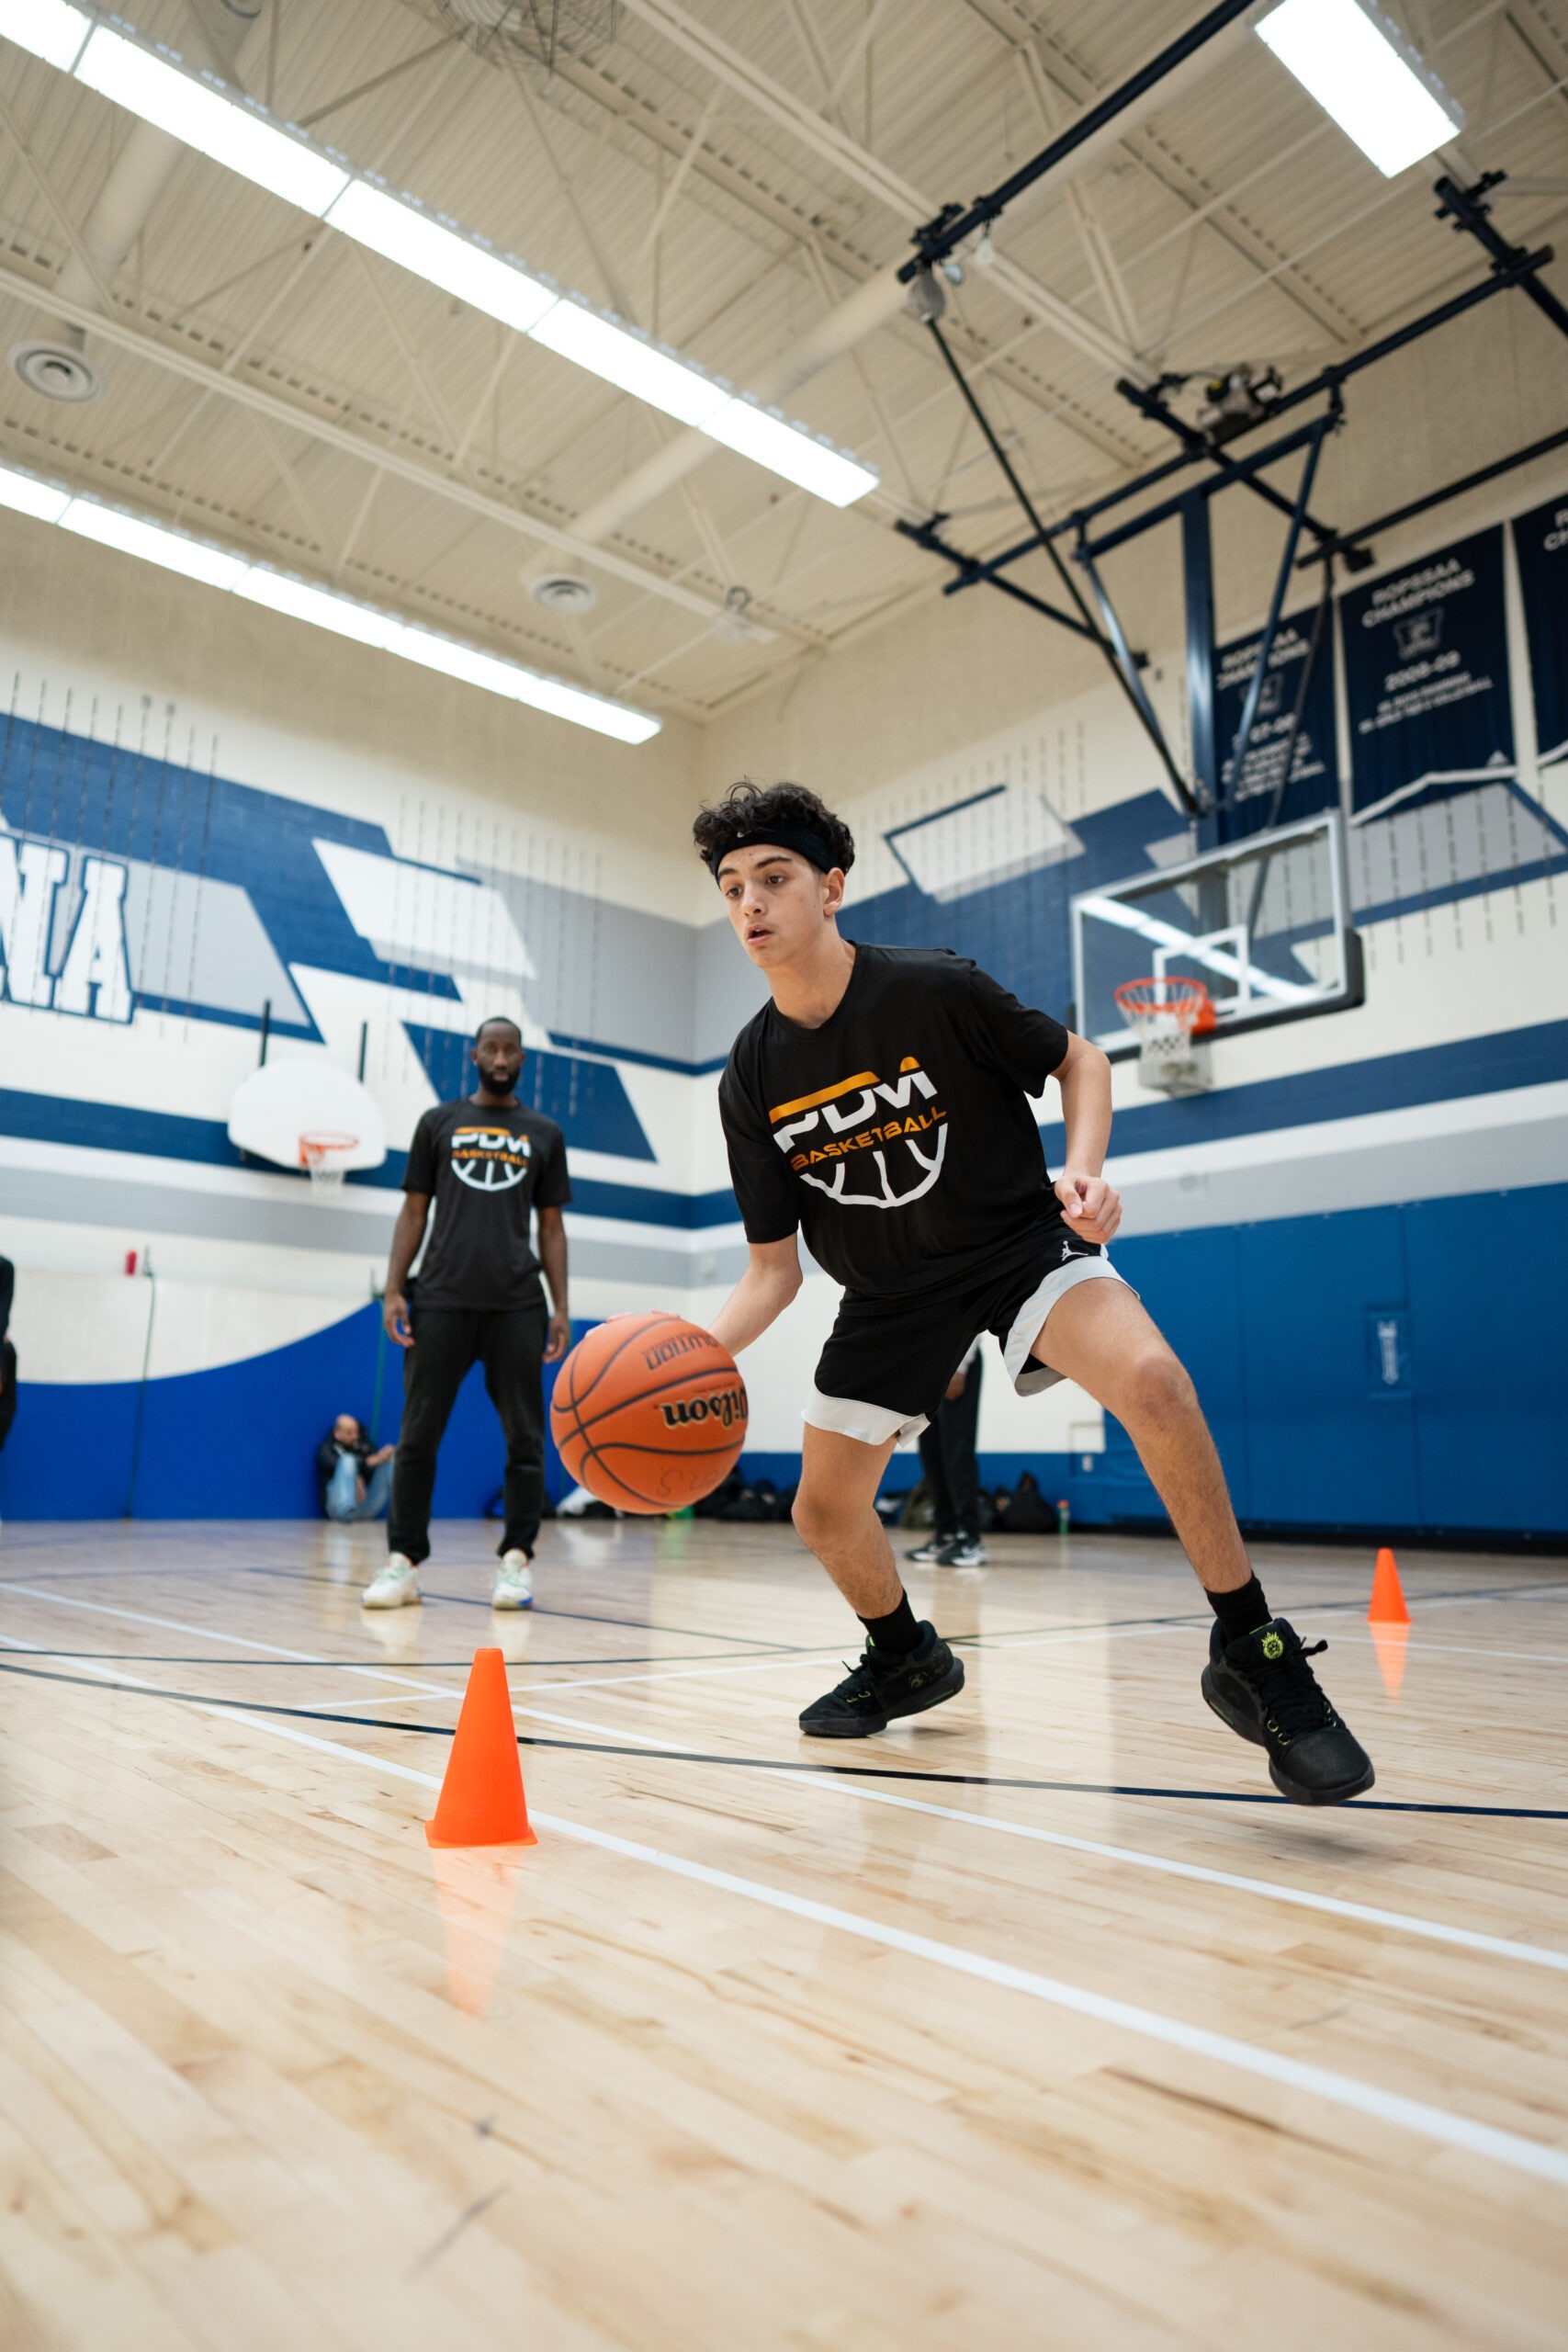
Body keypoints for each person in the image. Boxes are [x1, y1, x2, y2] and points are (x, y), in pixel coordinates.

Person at [697, 780, 1373, 1805]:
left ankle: (1252, 1646)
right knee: (823, 1510)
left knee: (1155, 1383)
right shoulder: (749, 1075)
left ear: (831, 889)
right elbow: (771, 1270)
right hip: (889, 1295)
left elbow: (1081, 1060)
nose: (750, 903)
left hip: (1016, 1246)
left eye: (774, 878)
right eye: (732, 887)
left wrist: (1084, 1173)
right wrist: (686, 1357)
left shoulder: (933, 988)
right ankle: (905, 1656)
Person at [364, 1016, 571, 1613]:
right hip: (440, 1299)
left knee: (525, 1440)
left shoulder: (544, 1132)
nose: (500, 1058)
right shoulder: (438, 1123)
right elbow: (413, 1212)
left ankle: (516, 1562)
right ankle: (403, 1563)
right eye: (491, 1048)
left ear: (522, 1059)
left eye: (510, 1050)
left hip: (517, 1303)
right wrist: (394, 1288)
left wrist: (561, 1306)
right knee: (417, 1437)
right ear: (474, 1055)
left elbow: (551, 1227)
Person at [907, 1339, 986, 1567]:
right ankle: (946, 1533)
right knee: (931, 1454)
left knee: (957, 1453)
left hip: (955, 1359)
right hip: (926, 1365)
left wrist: (960, 1367)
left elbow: (971, 1319)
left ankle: (969, 1538)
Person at [316, 1413, 394, 1521]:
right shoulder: (326, 1450)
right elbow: (333, 1464)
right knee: (347, 1460)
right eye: (349, 1432)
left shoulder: (366, 1447)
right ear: (337, 1433)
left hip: (364, 1505)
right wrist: (359, 1471)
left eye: (356, 1432)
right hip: (337, 1507)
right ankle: (346, 1509)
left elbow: (373, 1470)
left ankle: (403, 1510)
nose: (355, 1436)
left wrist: (382, 1457)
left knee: (390, 1462)